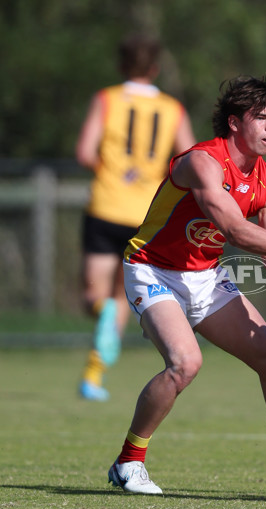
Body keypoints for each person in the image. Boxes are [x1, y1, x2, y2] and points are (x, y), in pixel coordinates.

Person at [107, 75, 266, 497]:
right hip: (152, 269)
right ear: (234, 123)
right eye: (261, 117)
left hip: (206, 275)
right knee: (185, 363)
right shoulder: (202, 162)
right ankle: (128, 462)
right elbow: (234, 229)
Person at [75, 34, 196, 401]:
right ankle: (93, 377)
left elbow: (84, 152)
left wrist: (111, 171)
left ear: (121, 66)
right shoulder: (172, 108)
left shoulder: (106, 100)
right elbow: (191, 159)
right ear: (155, 68)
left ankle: (97, 364)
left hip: (105, 206)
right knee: (119, 296)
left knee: (94, 297)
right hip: (146, 215)